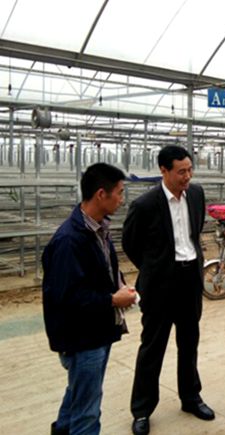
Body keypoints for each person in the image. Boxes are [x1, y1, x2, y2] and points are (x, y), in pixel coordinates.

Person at [122, 145, 212, 435]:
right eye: (181, 171)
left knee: (189, 342)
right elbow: (130, 243)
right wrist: (154, 268)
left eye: (190, 170)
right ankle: (142, 410)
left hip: (190, 280)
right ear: (164, 171)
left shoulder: (196, 195)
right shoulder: (145, 205)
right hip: (160, 286)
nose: (187, 176)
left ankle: (191, 397)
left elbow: (195, 231)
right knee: (152, 347)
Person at [42, 163, 137, 435]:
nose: (122, 199)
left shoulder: (96, 228)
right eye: (119, 192)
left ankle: (63, 430)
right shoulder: (69, 240)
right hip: (82, 338)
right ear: (101, 194)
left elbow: (102, 270)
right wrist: (112, 300)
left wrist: (120, 286)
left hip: (97, 331)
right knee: (88, 411)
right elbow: (67, 298)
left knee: (77, 394)